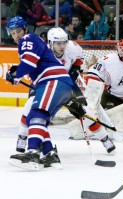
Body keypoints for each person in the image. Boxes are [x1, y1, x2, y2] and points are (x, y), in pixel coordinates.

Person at [15, 27, 116, 155]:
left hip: (66, 82)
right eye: (58, 43)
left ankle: (105, 139)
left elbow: (77, 64)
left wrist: (73, 74)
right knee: (30, 107)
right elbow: (31, 68)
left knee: (84, 111)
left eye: (64, 42)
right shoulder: (42, 51)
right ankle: (22, 138)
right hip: (44, 83)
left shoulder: (73, 49)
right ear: (50, 43)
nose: (62, 46)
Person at [5, 16, 77, 171]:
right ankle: (49, 153)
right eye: (13, 32)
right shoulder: (30, 42)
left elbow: (29, 62)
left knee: (37, 114)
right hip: (59, 84)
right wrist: (16, 73)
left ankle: (32, 152)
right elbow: (32, 64)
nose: (16, 35)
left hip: (53, 82)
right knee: (35, 118)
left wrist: (16, 74)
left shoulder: (27, 39)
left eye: (18, 31)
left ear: (25, 29)